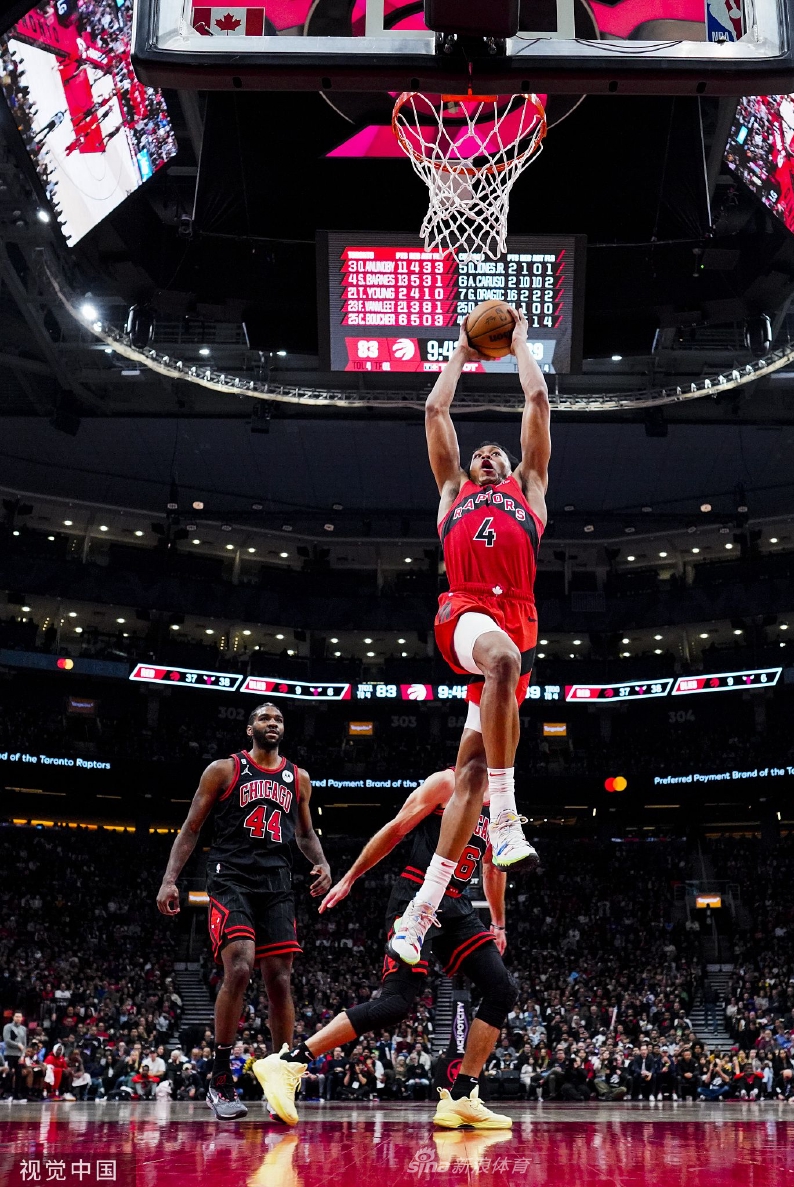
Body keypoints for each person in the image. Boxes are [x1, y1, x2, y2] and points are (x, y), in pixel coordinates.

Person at [388, 308, 551, 967]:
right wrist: (459, 349)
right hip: (466, 613)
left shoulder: (530, 489)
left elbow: (537, 401)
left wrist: (520, 346)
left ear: (511, 465)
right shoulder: (452, 489)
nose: (486, 455)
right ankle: (507, 821)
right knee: (502, 660)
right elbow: (435, 411)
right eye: (478, 452)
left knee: (471, 778)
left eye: (496, 452)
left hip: (519, 622)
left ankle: (417, 914)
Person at [252, 768, 516, 1130]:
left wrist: (498, 923)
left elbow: (493, 867)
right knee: (395, 1003)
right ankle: (289, 1062)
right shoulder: (445, 783)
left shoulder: (501, 800)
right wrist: (350, 877)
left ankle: (462, 1096)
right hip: (417, 896)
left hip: (457, 905)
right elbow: (395, 829)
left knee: (502, 989)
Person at [156, 702, 331, 1121]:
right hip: (231, 877)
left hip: (277, 881)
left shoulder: (298, 777)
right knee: (238, 967)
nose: (273, 723)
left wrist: (322, 863)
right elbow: (191, 827)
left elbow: (305, 834)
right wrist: (169, 879)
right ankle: (220, 1078)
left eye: (279, 720)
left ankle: (280, 1077)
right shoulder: (224, 770)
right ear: (250, 727)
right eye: (265, 718)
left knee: (281, 980)